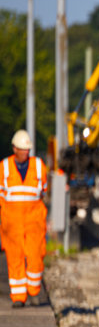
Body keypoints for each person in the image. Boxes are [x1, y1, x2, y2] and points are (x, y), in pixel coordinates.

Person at [1, 130, 48, 307]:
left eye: (27, 149)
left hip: (34, 220)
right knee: (14, 258)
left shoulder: (38, 165)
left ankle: (34, 291)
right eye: (22, 149)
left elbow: (43, 190)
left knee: (35, 256)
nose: (25, 152)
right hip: (11, 223)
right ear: (14, 149)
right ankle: (19, 297)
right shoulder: (4, 167)